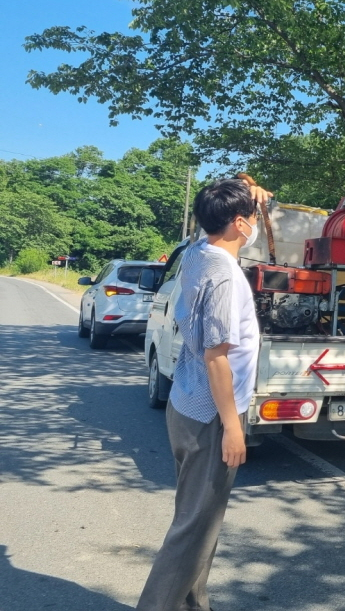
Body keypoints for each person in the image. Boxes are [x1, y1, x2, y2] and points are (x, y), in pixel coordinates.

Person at [136, 178, 268, 611]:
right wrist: (233, 427)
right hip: (210, 415)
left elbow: (212, 220)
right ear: (238, 223)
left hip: (185, 403)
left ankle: (194, 604)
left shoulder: (196, 254)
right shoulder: (225, 276)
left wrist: (245, 188)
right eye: (250, 218)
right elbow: (216, 358)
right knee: (193, 527)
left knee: (200, 521)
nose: (254, 225)